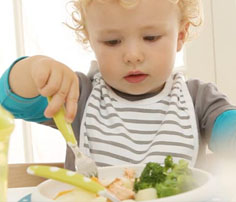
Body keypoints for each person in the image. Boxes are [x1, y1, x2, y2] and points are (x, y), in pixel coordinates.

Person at [0, 0, 236, 171]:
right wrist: (34, 69)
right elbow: (10, 100)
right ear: (90, 39)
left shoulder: (198, 100)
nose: (132, 56)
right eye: (112, 42)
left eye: (151, 37)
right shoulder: (78, 96)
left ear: (180, 36)